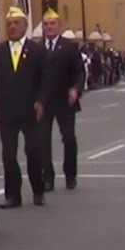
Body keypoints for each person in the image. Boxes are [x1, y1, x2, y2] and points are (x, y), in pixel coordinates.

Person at [0, 8, 48, 208]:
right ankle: (12, 195)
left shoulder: (37, 50)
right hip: (6, 110)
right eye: (9, 23)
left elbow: (44, 79)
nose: (13, 27)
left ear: (25, 25)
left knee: (33, 151)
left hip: (30, 109)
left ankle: (38, 190)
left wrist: (41, 100)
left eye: (17, 23)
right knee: (8, 154)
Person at [38, 10, 85, 191]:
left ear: (59, 26)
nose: (49, 27)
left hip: (65, 101)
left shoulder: (69, 47)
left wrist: (75, 89)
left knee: (69, 139)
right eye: (46, 24)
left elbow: (80, 72)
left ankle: (70, 174)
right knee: (42, 140)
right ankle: (47, 176)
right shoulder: (38, 48)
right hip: (44, 102)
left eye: (52, 24)